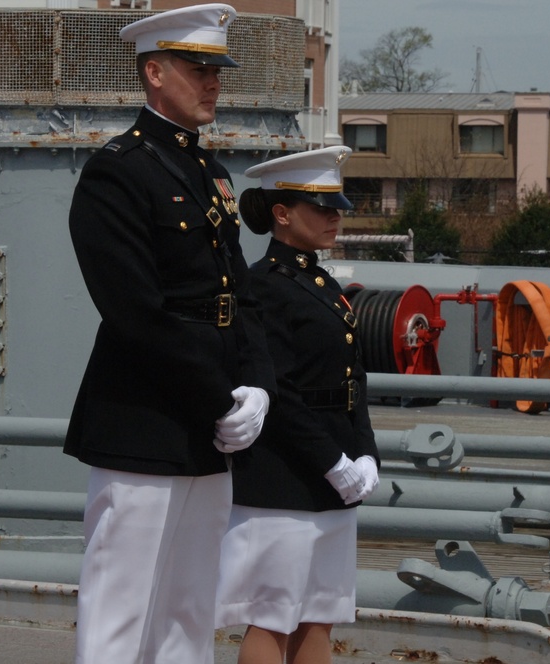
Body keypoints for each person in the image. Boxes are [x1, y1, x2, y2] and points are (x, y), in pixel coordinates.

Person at [64, 5, 275, 663]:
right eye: (197, 67)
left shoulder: (208, 174)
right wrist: (220, 399)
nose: (212, 82)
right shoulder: (117, 172)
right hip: (144, 424)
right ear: (154, 72)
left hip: (208, 432)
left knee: (189, 611)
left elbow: (238, 296)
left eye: (216, 69)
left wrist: (259, 387)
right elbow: (137, 313)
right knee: (119, 616)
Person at [215, 146, 381, 664]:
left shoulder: (321, 283)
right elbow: (277, 389)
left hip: (332, 473)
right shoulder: (263, 285)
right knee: (271, 618)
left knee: (318, 617)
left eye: (337, 208)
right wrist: (333, 462)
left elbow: (351, 378)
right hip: (283, 477)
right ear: (282, 214)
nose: (334, 218)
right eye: (321, 208)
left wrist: (366, 452)